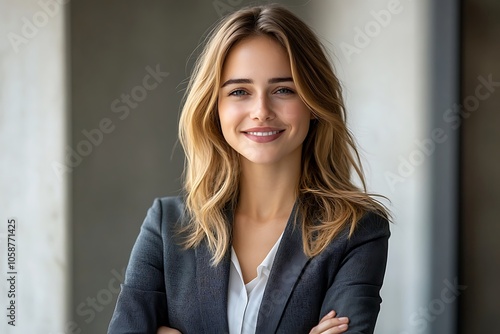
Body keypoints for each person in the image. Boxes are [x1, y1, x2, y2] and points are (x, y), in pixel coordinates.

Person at [108, 4, 390, 334]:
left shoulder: (356, 230)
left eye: (284, 90)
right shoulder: (165, 225)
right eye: (240, 91)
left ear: (314, 102)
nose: (261, 111)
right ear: (215, 107)